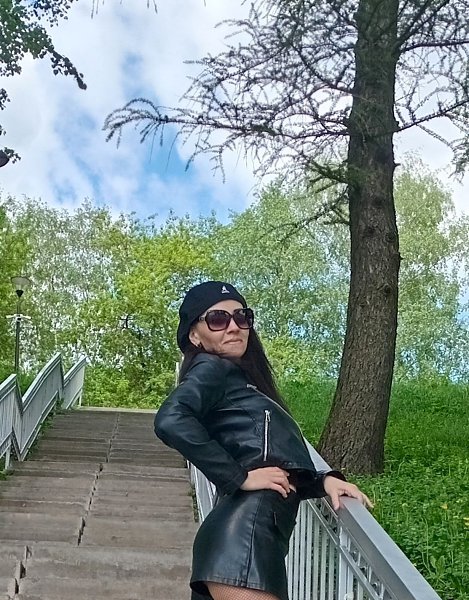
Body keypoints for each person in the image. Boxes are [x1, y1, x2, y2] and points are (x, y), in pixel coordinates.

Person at [155, 281, 372, 600]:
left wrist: (323, 481)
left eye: (241, 316)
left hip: (250, 541)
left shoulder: (242, 384)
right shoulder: (212, 368)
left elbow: (272, 463)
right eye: (217, 319)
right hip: (242, 541)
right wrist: (238, 477)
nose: (233, 326)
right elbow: (170, 420)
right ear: (195, 336)